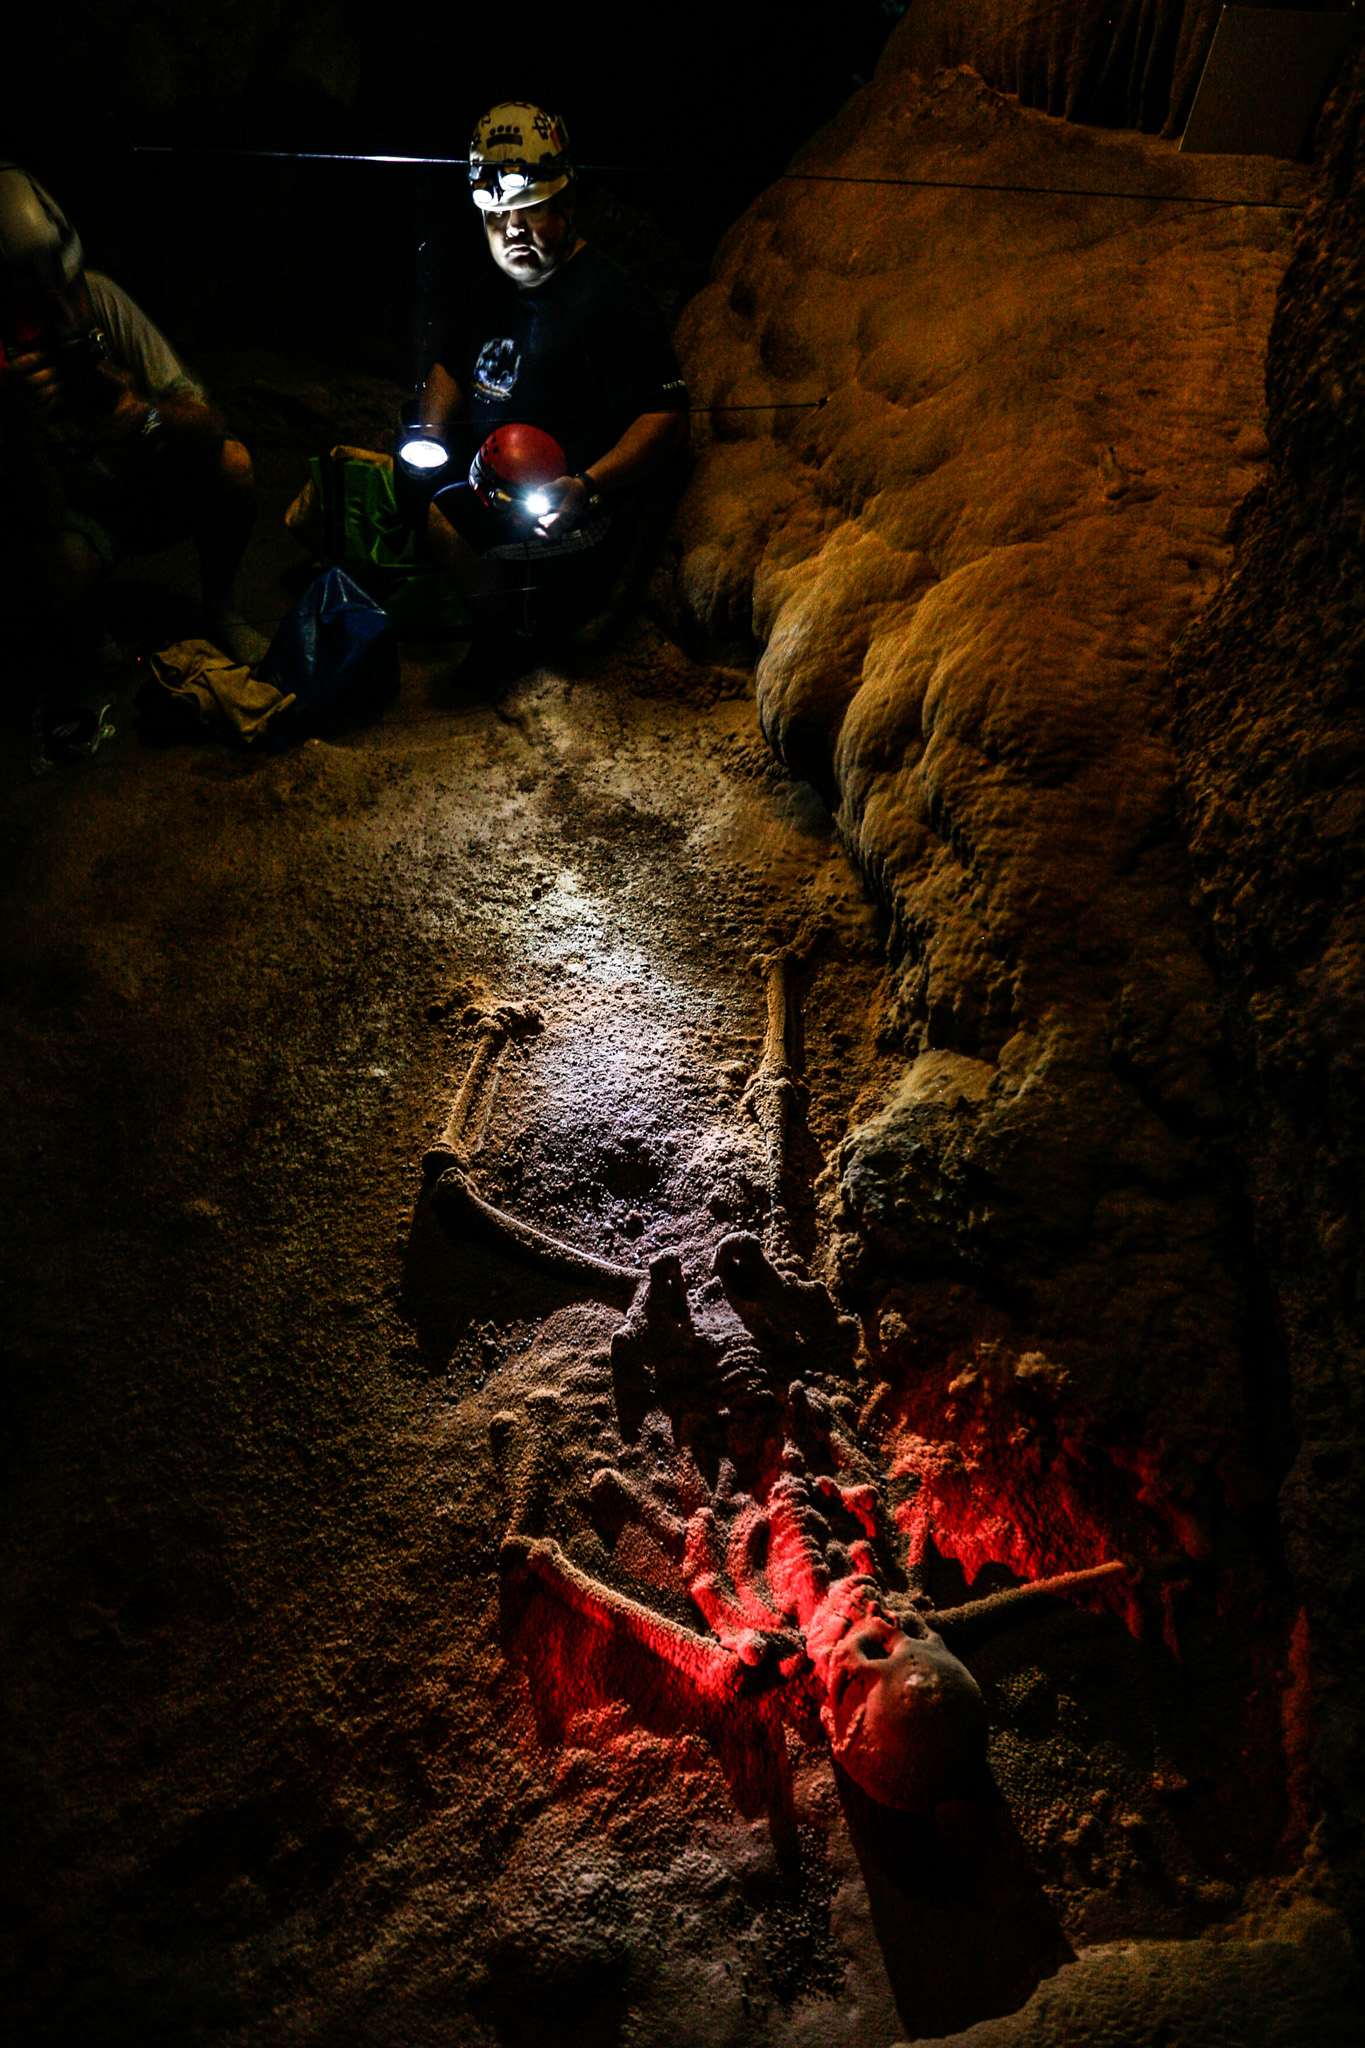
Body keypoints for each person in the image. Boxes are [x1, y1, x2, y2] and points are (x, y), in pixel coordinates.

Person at [0, 162, 265, 751]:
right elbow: (36, 517)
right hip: (69, 523)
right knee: (55, 568)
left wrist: (138, 412)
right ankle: (83, 633)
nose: (69, 314)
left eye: (69, 290)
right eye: (41, 304)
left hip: (143, 488)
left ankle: (217, 606)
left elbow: (209, 422)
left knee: (233, 464)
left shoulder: (103, 300)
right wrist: (19, 418)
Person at [419, 102, 689, 645]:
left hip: (572, 515)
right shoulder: (491, 288)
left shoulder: (608, 300)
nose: (513, 228)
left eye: (531, 209)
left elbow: (666, 417)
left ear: (566, 200)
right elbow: (450, 362)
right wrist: (430, 435)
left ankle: (526, 635)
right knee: (407, 476)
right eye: (497, 214)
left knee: (438, 519)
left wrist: (588, 486)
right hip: (492, 486)